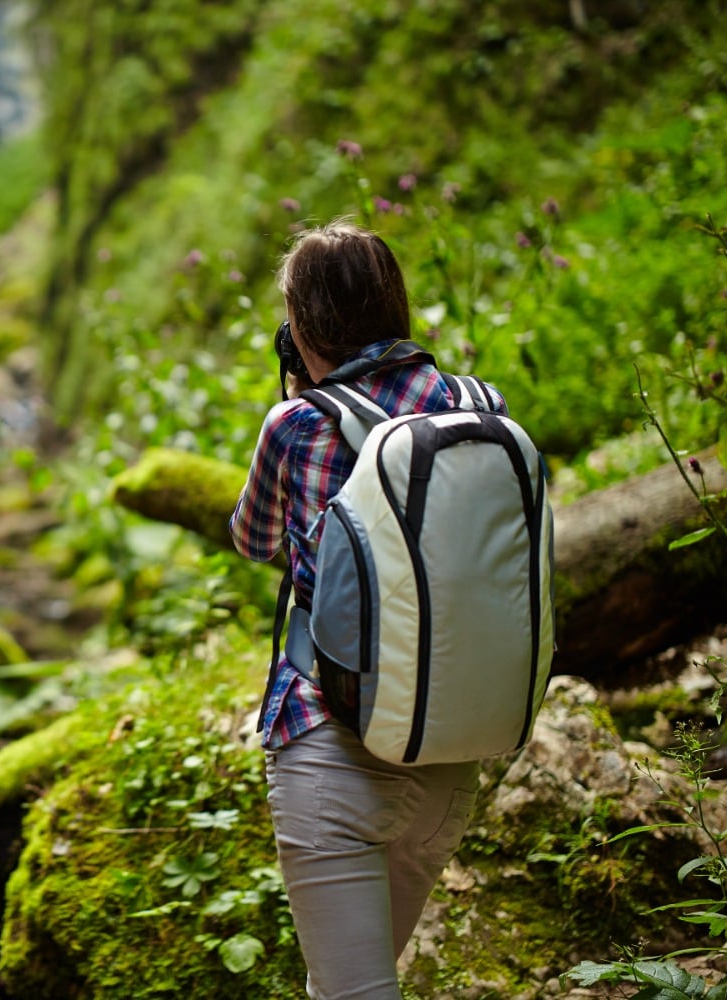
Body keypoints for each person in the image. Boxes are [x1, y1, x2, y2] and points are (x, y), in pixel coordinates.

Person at [229, 219, 504, 1000]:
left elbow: (250, 539)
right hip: (453, 751)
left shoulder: (299, 423)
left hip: (334, 749)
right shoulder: (476, 404)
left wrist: (295, 399)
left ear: (301, 328)